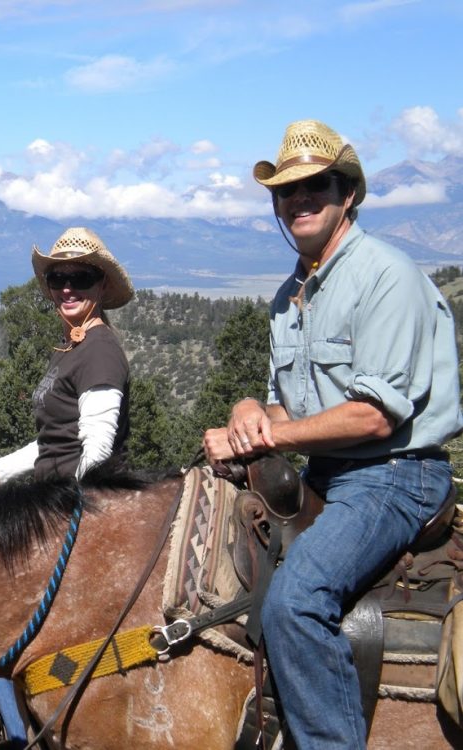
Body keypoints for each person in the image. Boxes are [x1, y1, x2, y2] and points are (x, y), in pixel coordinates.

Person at [203, 119, 463, 748]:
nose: (298, 199)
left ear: (347, 193)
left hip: (393, 475)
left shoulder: (385, 275)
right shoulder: (289, 295)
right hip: (325, 471)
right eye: (286, 191)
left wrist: (267, 439)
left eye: (316, 185)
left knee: (296, 603)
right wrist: (248, 410)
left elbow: (375, 416)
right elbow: (283, 403)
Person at [0, 227, 132, 488]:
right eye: (58, 278)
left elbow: (98, 452)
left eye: (82, 278)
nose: (67, 289)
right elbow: (54, 442)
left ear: (103, 284)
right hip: (54, 497)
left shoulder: (99, 351)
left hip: (78, 503)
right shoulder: (70, 347)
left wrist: (64, 504)